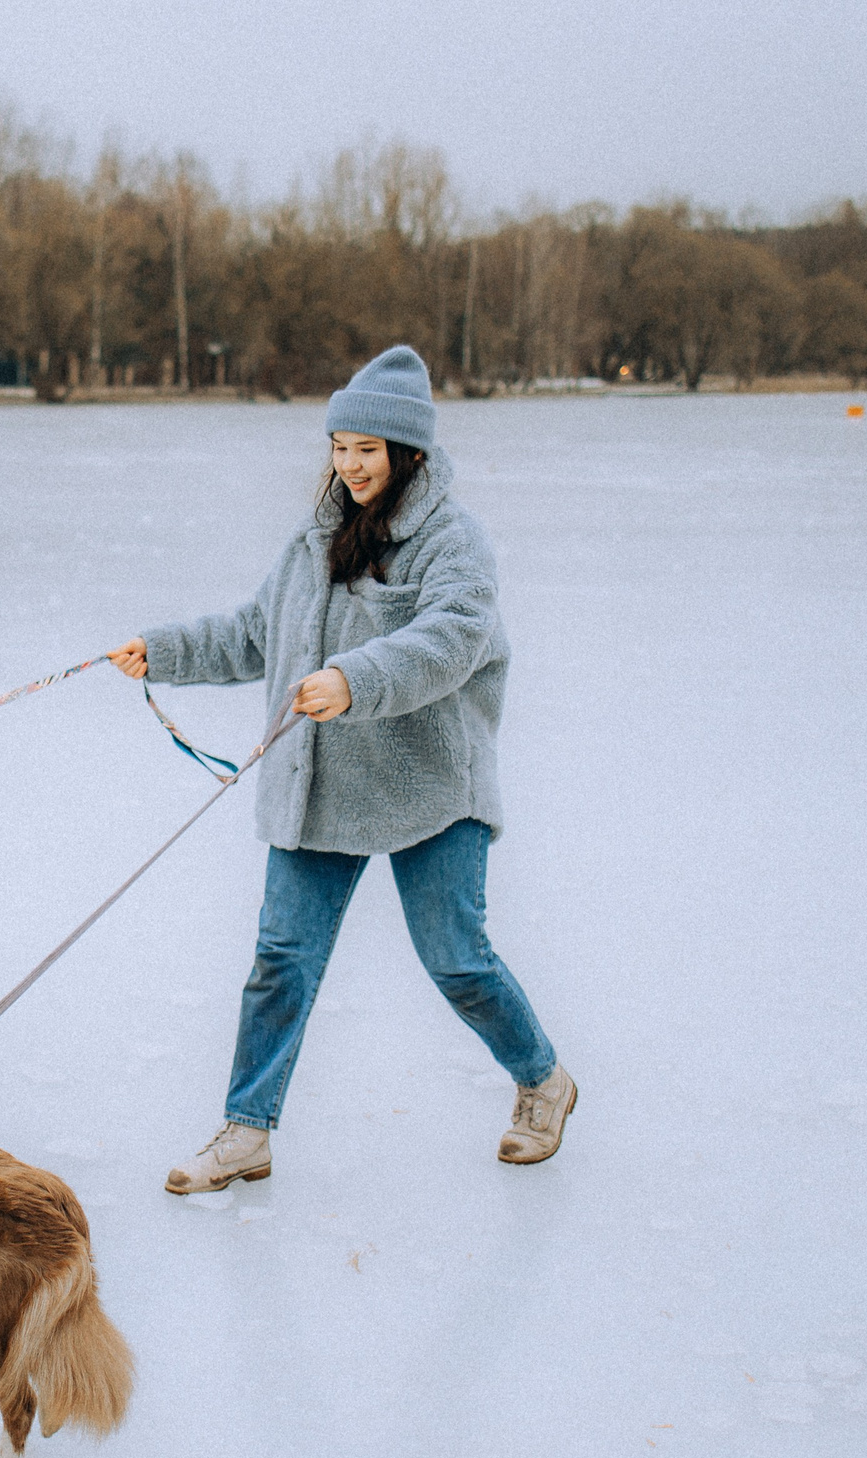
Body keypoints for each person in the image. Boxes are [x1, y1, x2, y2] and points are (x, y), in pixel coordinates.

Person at [108, 345, 574, 1194]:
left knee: (456, 957)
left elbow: (448, 641)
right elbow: (257, 632)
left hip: (429, 788)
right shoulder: (315, 536)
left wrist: (354, 677)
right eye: (341, 445)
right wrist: (164, 650)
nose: (351, 464)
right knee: (280, 958)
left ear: (408, 454)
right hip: (320, 787)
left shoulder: (453, 542)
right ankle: (248, 1130)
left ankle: (543, 1081)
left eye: (368, 449)